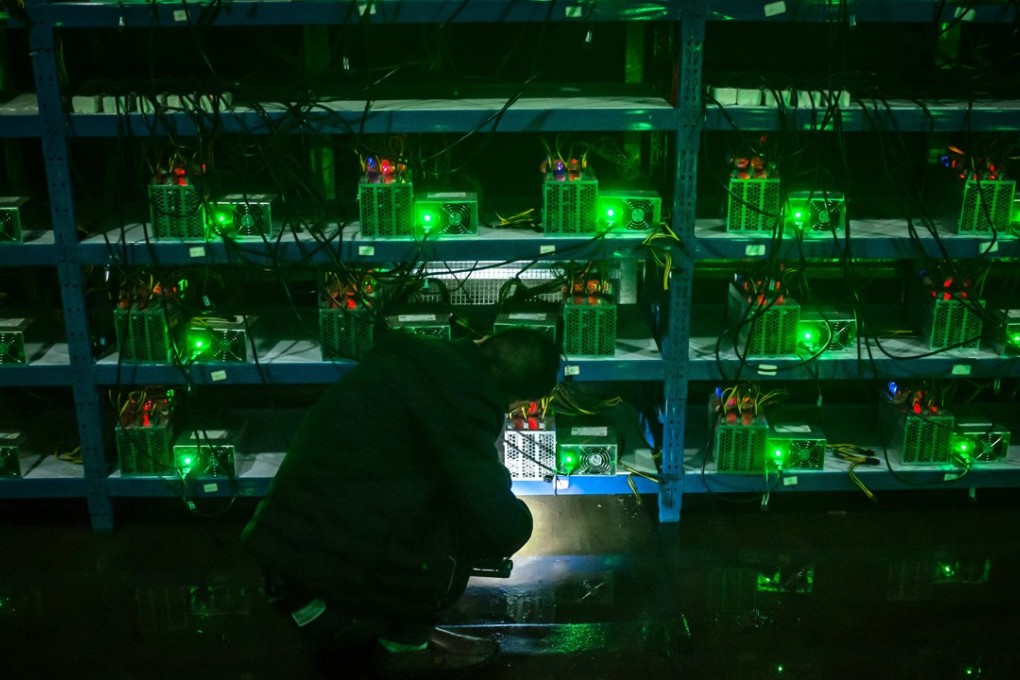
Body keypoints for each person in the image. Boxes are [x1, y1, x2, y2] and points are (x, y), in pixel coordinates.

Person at [241, 327, 561, 678]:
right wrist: (523, 523)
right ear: (518, 401)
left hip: (284, 561)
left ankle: (387, 623)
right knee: (456, 526)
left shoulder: (411, 357)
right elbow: (494, 519)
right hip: (317, 599)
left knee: (426, 495)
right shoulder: (464, 398)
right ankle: (405, 646)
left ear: (481, 342)